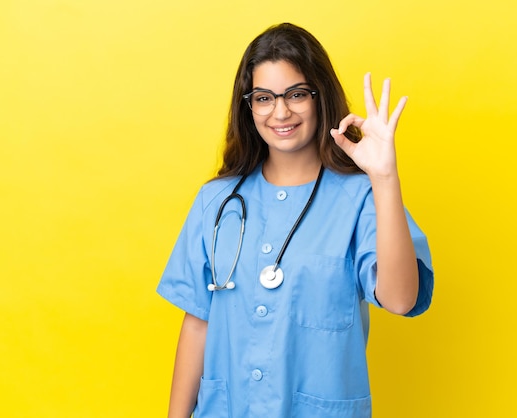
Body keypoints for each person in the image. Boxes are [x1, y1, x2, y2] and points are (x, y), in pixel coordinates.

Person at [157, 22, 434, 418]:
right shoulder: (217, 201)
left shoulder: (362, 198)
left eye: (296, 94)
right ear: (247, 105)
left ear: (320, 96)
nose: (280, 111)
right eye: (264, 97)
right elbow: (198, 322)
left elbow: (401, 298)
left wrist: (385, 178)